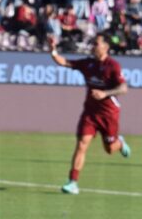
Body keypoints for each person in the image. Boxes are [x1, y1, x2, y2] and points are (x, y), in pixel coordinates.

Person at [48, 34, 131, 195]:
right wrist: (53, 50)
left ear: (106, 47)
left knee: (110, 149)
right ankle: (72, 182)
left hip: (109, 114)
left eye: (97, 43)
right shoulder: (88, 63)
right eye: (93, 43)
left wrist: (105, 93)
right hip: (90, 113)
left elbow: (124, 88)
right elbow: (64, 62)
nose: (93, 46)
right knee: (81, 144)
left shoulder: (113, 66)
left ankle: (119, 143)